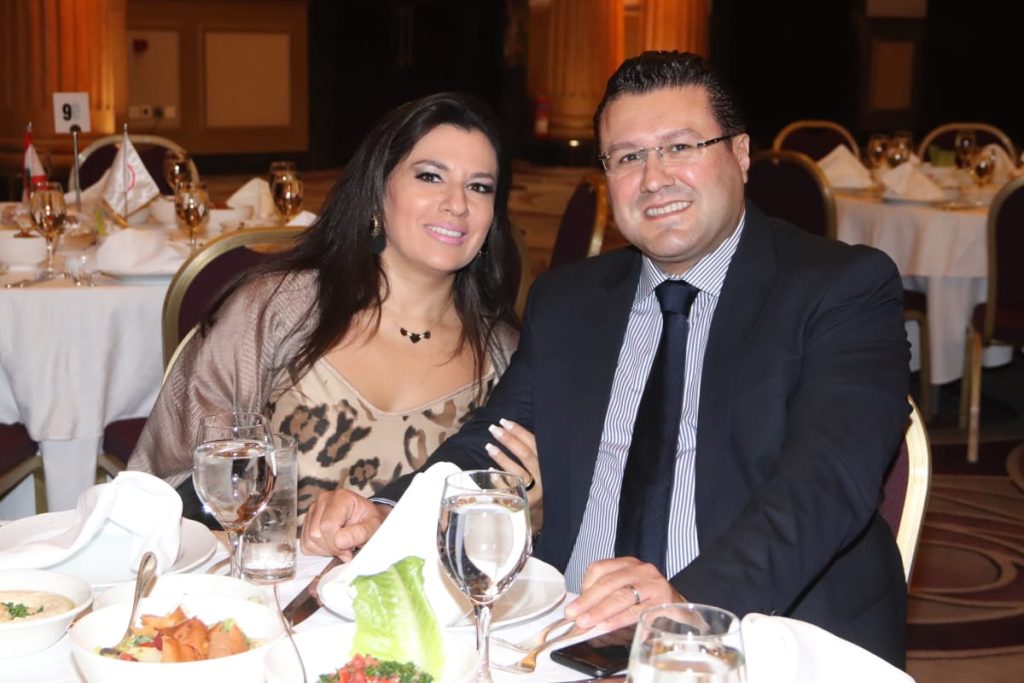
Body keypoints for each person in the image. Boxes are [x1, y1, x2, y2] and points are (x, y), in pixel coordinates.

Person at [301, 53, 910, 666]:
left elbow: (826, 482)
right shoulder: (570, 300)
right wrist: (390, 511)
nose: (654, 179)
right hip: (571, 631)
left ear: (742, 154)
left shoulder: (840, 288)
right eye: (627, 157)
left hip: (758, 633)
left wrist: (686, 602)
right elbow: (489, 442)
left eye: (680, 147)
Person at [127, 92, 543, 522]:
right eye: (430, 177)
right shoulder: (276, 311)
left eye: (479, 187)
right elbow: (168, 482)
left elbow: (517, 526)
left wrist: (526, 511)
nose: (457, 204)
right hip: (256, 566)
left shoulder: (507, 358)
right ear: (378, 190)